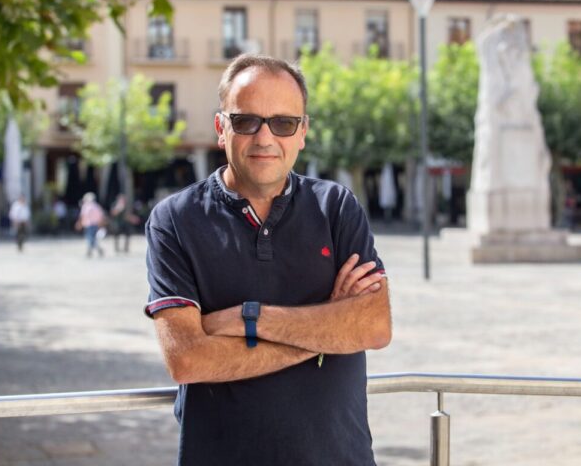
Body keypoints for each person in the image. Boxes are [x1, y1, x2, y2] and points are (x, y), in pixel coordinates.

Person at [145, 54, 392, 466]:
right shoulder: (174, 220)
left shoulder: (336, 207)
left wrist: (248, 319)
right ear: (221, 128)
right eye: (246, 121)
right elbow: (187, 359)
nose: (265, 137)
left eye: (283, 122)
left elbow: (374, 326)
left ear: (303, 132)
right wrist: (328, 330)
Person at [76, 192, 106, 257]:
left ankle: (93, 250)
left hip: (89, 225)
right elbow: (101, 216)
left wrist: (79, 223)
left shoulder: (86, 206)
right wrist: (101, 224)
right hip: (95, 224)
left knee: (90, 238)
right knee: (92, 238)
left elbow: (82, 216)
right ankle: (95, 250)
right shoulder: (97, 206)